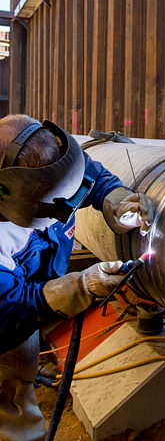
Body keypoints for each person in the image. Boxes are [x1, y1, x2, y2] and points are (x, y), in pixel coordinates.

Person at [0, 114, 154, 441]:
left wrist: (113, 196)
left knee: (20, 376)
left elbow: (86, 175)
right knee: (9, 390)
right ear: (10, 196)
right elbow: (10, 310)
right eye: (53, 206)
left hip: (22, 310)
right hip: (5, 320)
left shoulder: (41, 171)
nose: (67, 210)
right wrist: (79, 286)